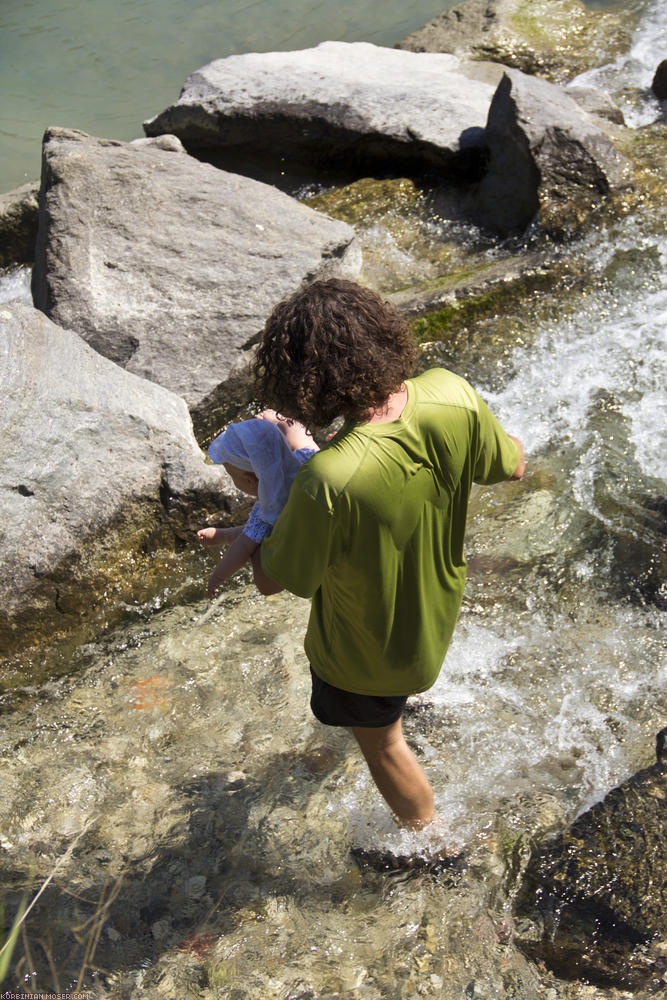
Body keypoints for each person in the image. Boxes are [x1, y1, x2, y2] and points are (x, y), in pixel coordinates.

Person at [250, 278, 525, 833]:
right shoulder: (451, 392)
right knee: (385, 714)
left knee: (384, 745)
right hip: (435, 614)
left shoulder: (330, 478)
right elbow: (513, 464)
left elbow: (272, 579)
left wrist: (267, 503)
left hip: (364, 655)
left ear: (305, 380)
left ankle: (434, 846)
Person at [198, 412, 318, 598]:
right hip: (325, 538)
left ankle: (223, 535)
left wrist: (218, 576)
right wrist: (277, 419)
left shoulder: (269, 508)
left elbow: (242, 549)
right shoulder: (306, 461)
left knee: (255, 536)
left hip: (301, 562)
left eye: (232, 475)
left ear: (250, 480)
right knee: (257, 532)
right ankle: (222, 535)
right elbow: (300, 433)